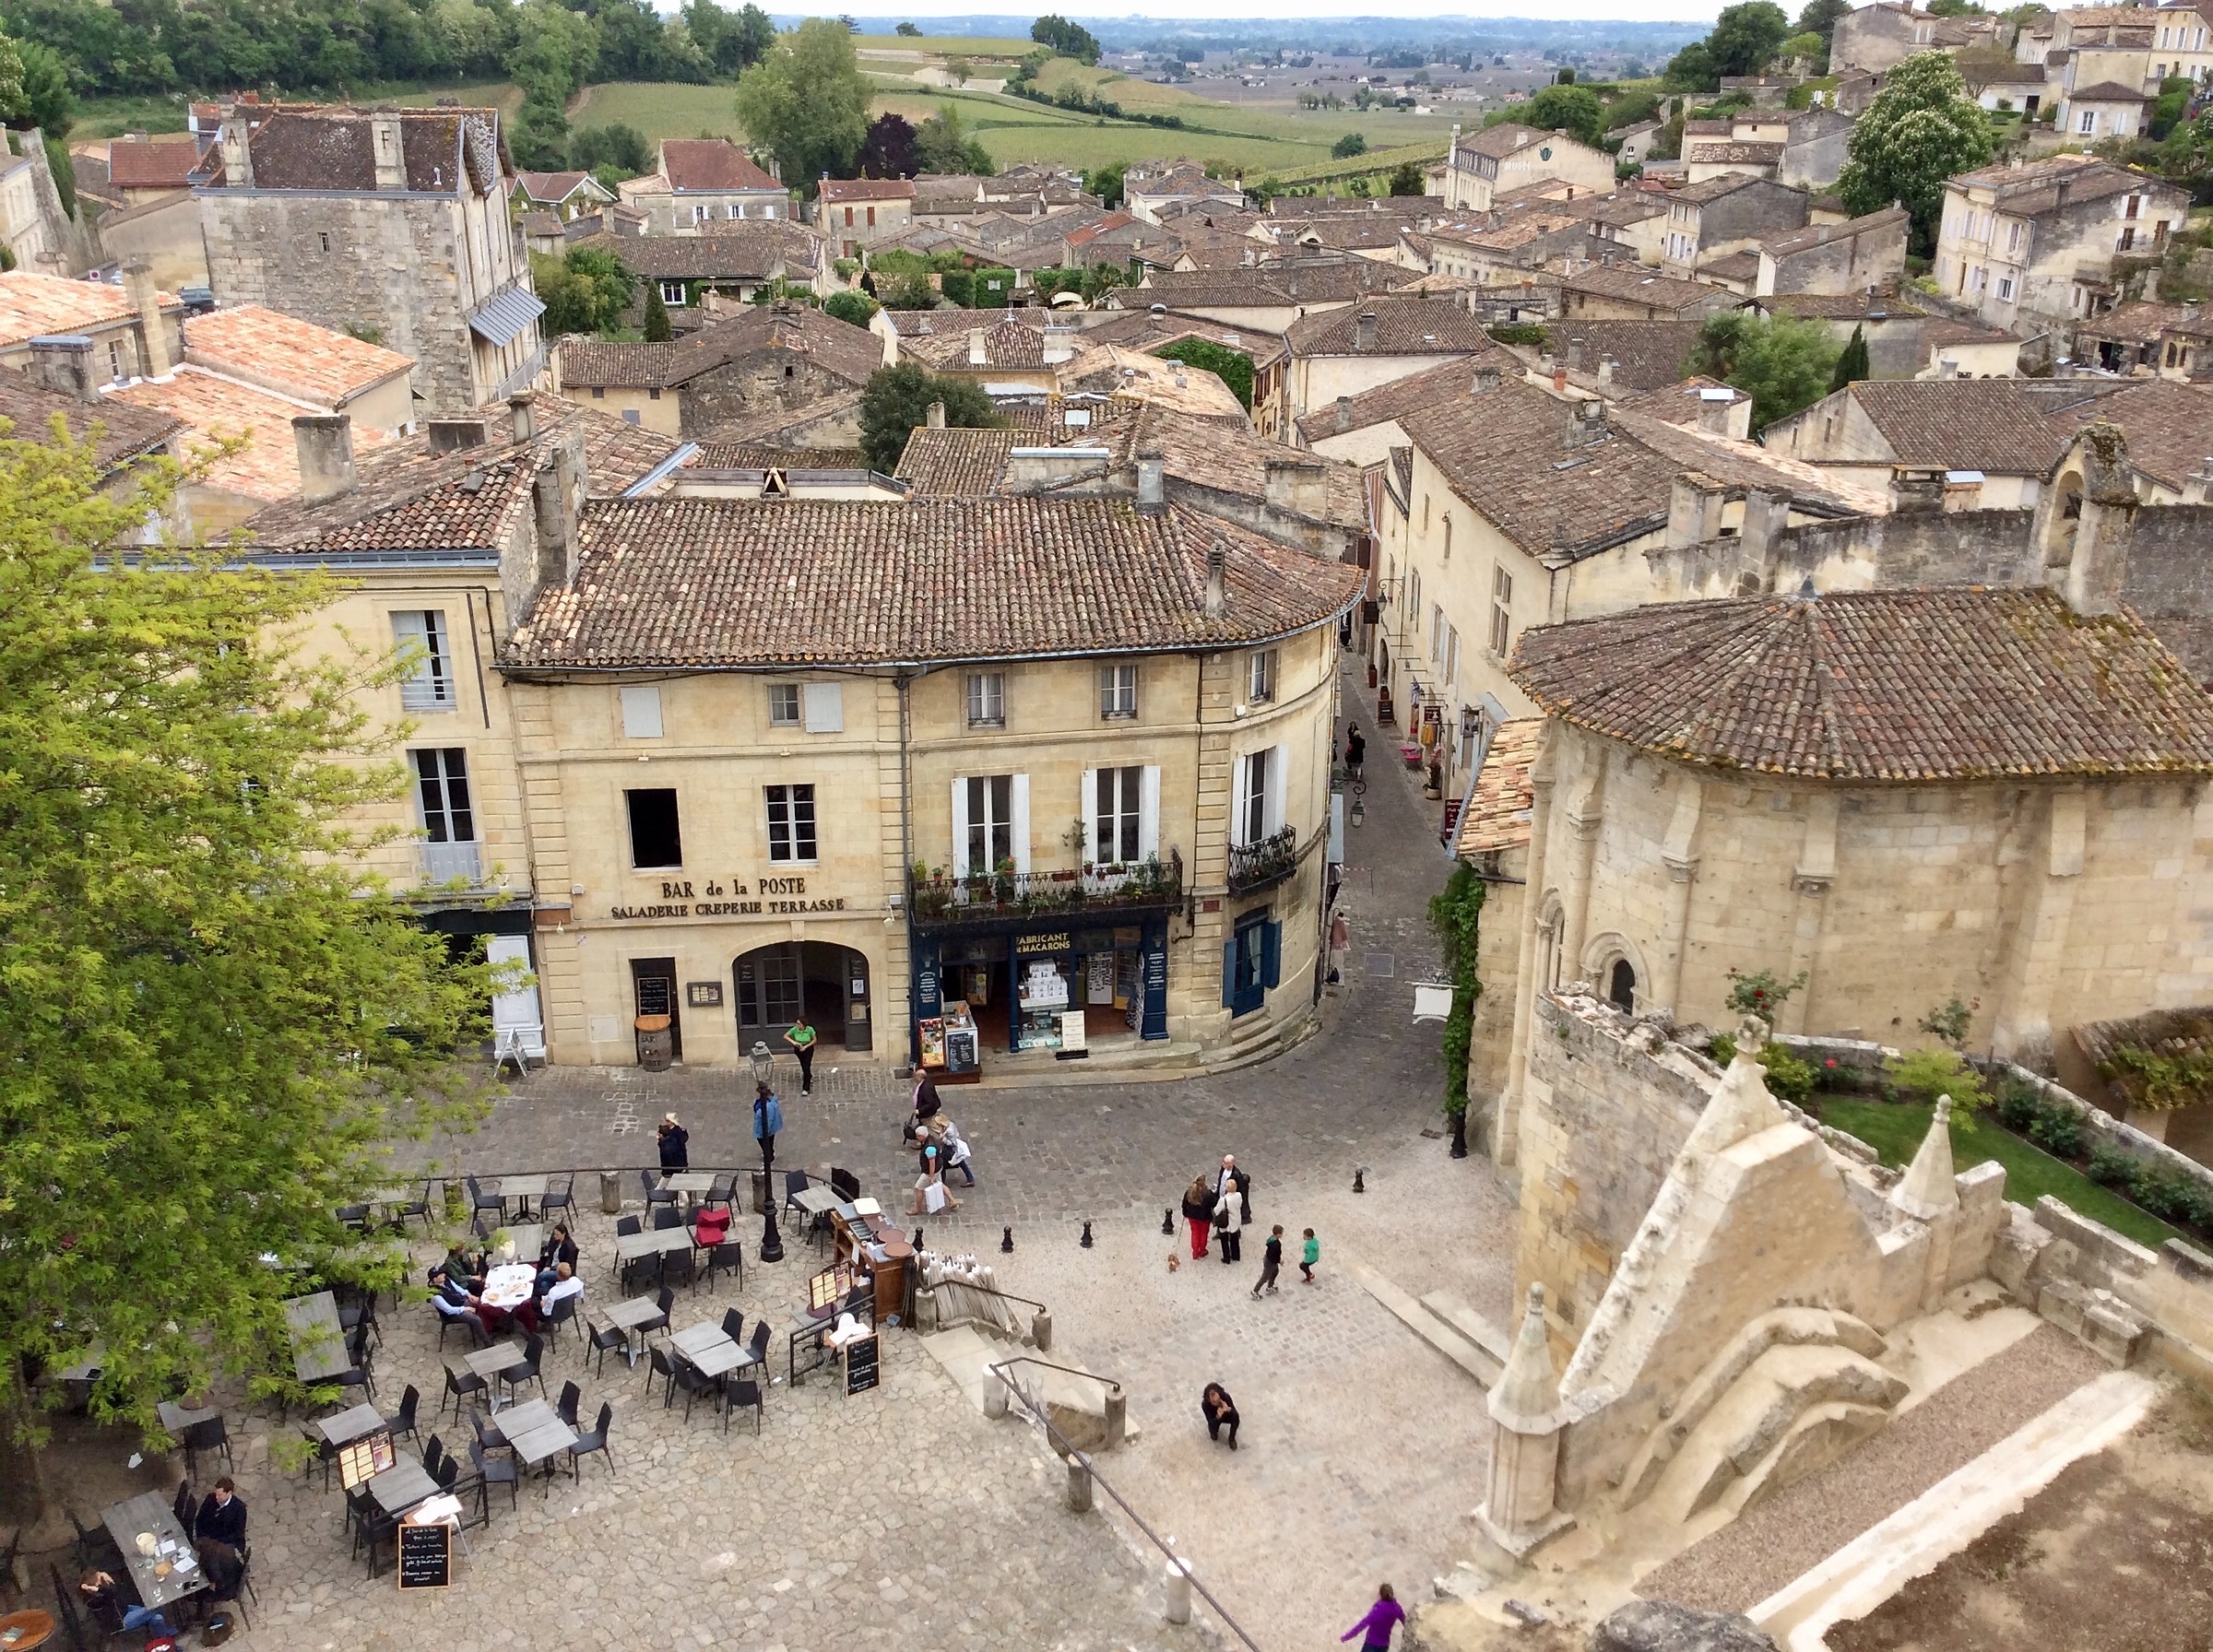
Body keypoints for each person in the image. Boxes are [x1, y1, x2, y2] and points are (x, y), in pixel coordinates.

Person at [78, 1568, 172, 1636]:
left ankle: (162, 1640)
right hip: (121, 1621)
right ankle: (165, 1637)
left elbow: (117, 1591)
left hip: (125, 1609)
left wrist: (107, 1579)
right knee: (157, 1607)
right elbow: (110, 1595)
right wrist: (98, 1588)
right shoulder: (93, 1601)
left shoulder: (101, 1590)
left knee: (157, 1618)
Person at [516, 1260, 583, 1333]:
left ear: (558, 1276)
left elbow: (547, 1312)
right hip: (569, 1309)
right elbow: (579, 1295)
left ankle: (533, 1327)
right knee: (543, 1285)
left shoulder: (554, 1292)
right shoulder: (576, 1281)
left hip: (555, 1313)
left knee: (532, 1301)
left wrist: (542, 1304)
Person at [1341, 1584, 1405, 1649]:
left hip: (1371, 1645)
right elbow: (1406, 1621)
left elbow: (1361, 1626)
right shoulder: (1397, 1608)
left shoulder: (1376, 1612)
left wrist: (1345, 1637)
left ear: (1380, 1595)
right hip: (1384, 1645)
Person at [907, 1137, 960, 1216]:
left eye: (918, 1136)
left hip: (930, 1172)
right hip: (938, 1167)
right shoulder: (932, 1140)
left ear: (922, 1136)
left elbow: (932, 1163)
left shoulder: (929, 1149)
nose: (917, 1138)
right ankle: (952, 1200)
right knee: (940, 1184)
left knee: (919, 1188)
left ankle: (917, 1209)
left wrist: (931, 1176)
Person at [195, 1478, 247, 1551]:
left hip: (226, 1542)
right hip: (207, 1537)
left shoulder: (239, 1508)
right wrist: (201, 1536)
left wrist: (215, 1543)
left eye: (220, 1495)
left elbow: (237, 1534)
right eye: (216, 1494)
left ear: (229, 1493)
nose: (216, 1497)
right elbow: (199, 1519)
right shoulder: (210, 1498)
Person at [1180, 1174, 1216, 1262]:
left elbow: (1184, 1203)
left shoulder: (1189, 1191)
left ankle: (1195, 1251)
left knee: (1195, 1232)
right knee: (1203, 1233)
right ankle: (1202, 1250)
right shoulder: (1207, 1193)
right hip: (1204, 1217)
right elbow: (1214, 1203)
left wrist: (1185, 1213)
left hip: (1192, 1216)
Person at [753, 1081, 784, 1175]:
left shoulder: (768, 1106)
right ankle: (769, 1153)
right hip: (765, 1127)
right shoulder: (766, 1102)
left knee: (765, 1142)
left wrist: (766, 1130)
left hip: (765, 1129)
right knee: (768, 1142)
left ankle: (769, 1157)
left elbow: (769, 1119)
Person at [784, 1013, 818, 1095]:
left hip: (808, 1048)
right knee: (803, 1065)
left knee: (806, 1066)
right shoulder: (795, 1029)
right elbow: (786, 1036)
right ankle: (808, 1076)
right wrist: (794, 1042)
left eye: (799, 1023)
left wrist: (806, 1047)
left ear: (803, 1024)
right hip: (798, 1049)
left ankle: (806, 1088)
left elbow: (814, 1040)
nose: (797, 1025)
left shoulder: (810, 1029)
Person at [1214, 1169, 1243, 1265]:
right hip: (1235, 1221)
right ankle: (1236, 1255)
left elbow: (1216, 1210)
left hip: (1226, 1222)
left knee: (1224, 1241)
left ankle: (1226, 1258)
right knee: (1235, 1239)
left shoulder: (1224, 1200)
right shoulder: (1239, 1195)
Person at [939, 1116, 976, 1186]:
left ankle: (942, 1183)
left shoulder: (949, 1131)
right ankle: (970, 1178)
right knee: (961, 1162)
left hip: (952, 1150)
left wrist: (944, 1139)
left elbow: (952, 1143)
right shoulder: (950, 1124)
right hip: (956, 1149)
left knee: (943, 1165)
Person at [1201, 1382, 1239, 1450]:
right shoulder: (1205, 1405)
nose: (1217, 1403)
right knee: (1214, 1435)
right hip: (1215, 1417)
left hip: (1226, 1414)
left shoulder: (1226, 1397)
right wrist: (1218, 1416)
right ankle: (1214, 1433)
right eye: (1214, 1402)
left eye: (1218, 1400)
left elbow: (1236, 1415)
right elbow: (1210, 1422)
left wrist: (1228, 1409)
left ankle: (1231, 1438)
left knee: (1235, 1419)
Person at [1251, 1224, 1284, 1298]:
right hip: (1271, 1262)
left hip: (1270, 1260)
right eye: (1281, 1233)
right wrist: (1279, 1261)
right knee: (1265, 1277)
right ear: (1278, 1234)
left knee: (1275, 1272)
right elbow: (1274, 1255)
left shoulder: (1271, 1239)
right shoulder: (1276, 1244)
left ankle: (1270, 1286)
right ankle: (1255, 1291)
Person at [1327, 906, 1351, 985]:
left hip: (1335, 938)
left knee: (1334, 955)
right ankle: (1334, 972)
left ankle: (1333, 971)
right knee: (1336, 955)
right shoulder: (1341, 922)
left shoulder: (1335, 919)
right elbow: (1343, 931)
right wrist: (1345, 938)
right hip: (1338, 940)